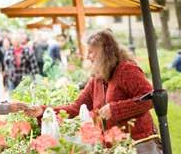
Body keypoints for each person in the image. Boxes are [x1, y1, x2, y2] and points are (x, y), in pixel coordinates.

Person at [25, 29, 162, 154]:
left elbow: (149, 98)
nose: (87, 56)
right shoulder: (97, 78)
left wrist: (115, 109)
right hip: (116, 146)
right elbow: (75, 108)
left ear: (105, 52)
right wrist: (43, 111)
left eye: (91, 52)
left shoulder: (127, 70)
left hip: (140, 143)